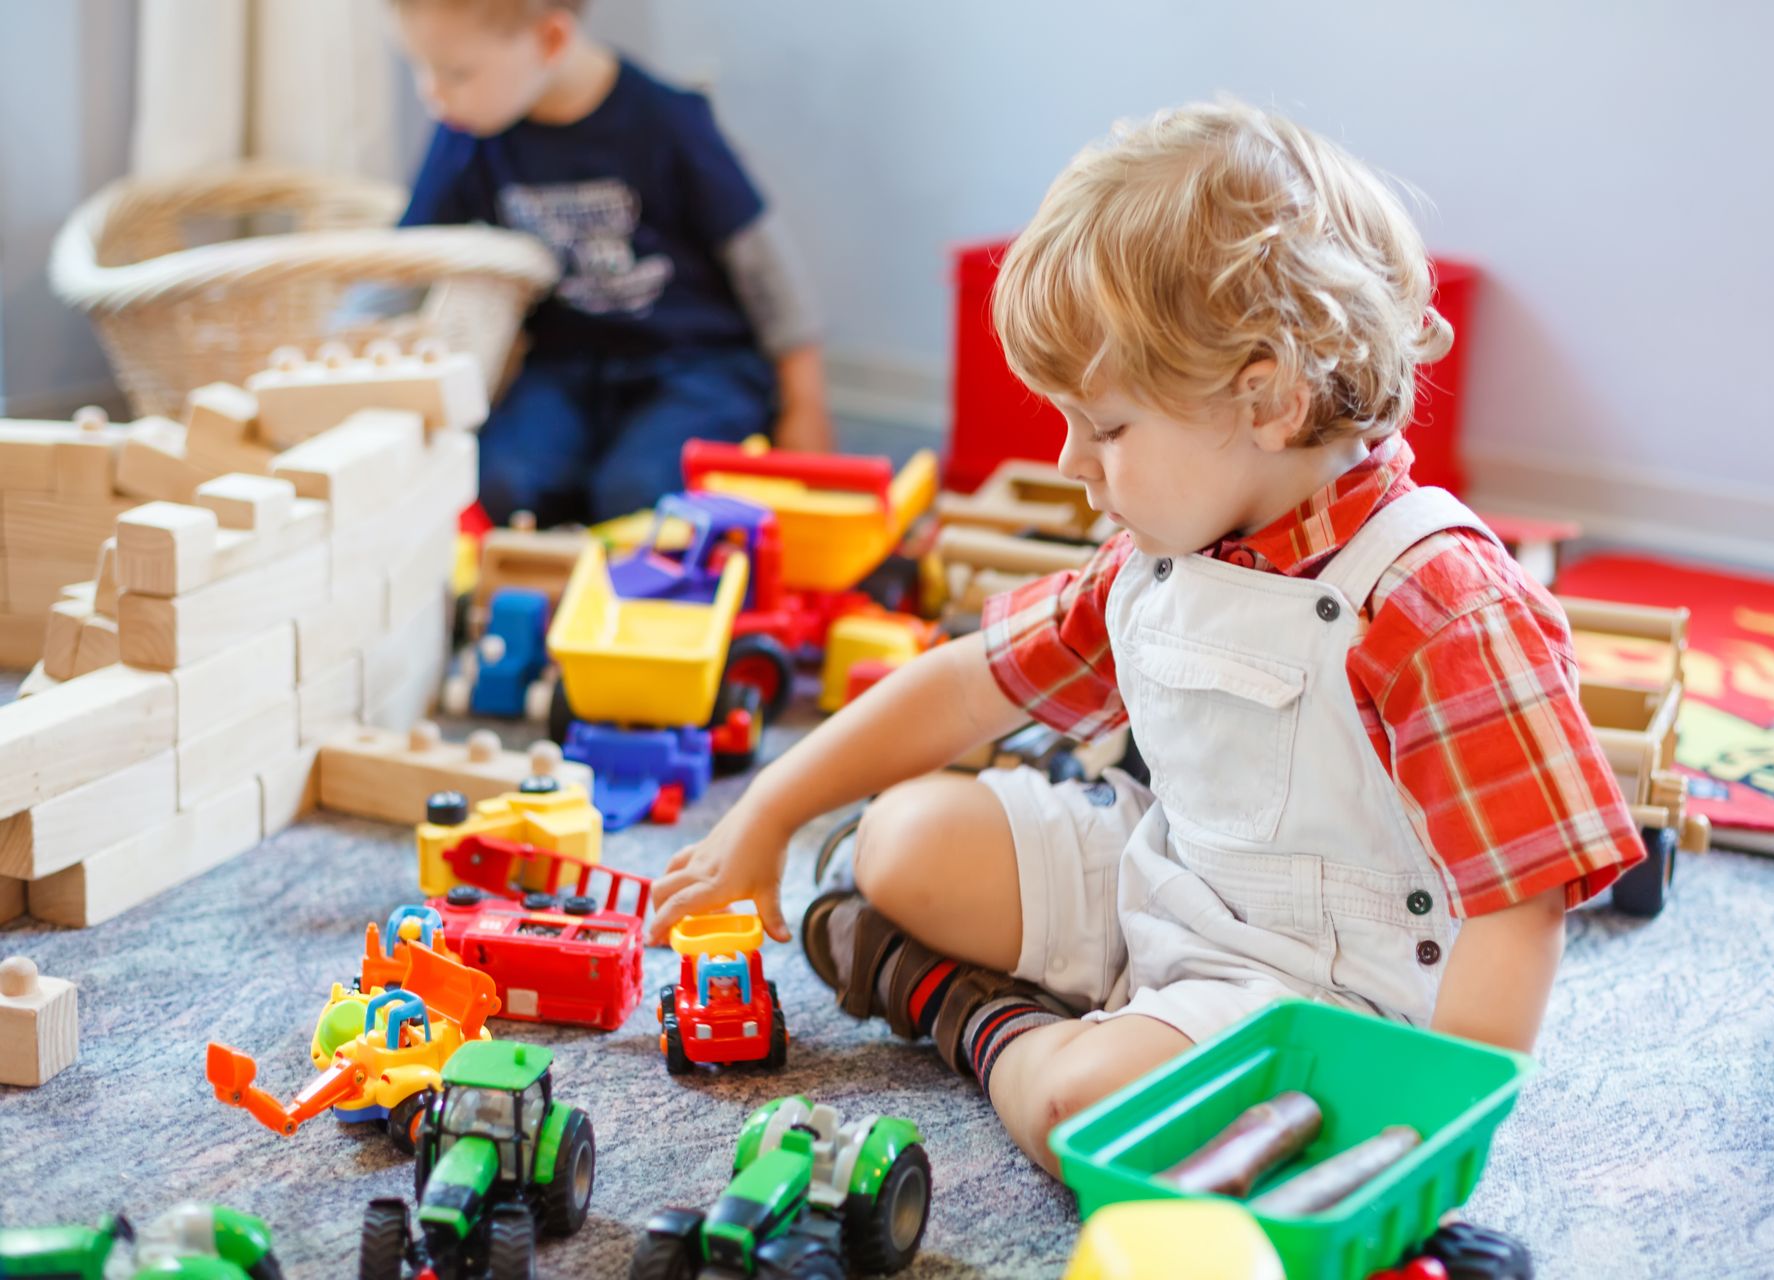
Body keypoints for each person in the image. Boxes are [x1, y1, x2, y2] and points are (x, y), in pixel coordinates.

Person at [646, 100, 1642, 1174]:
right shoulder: (1158, 554)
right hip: (1176, 884)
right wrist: (768, 816)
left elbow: (1520, 900)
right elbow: (961, 687)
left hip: (1323, 993)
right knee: (901, 842)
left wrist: (1426, 1132)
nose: (1074, 459)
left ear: (1268, 395)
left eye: (1107, 426)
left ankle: (976, 1016)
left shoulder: (1438, 599)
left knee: (1079, 1107)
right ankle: (1021, 989)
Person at [388, 0, 832, 525]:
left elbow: (764, 267)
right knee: (503, 484)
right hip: (564, 367)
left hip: (693, 365)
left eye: (454, 72)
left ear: (551, 40)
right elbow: (402, 261)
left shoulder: (667, 122)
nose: (430, 92)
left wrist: (805, 405)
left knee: (638, 494)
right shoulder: (467, 132)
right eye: (420, 66)